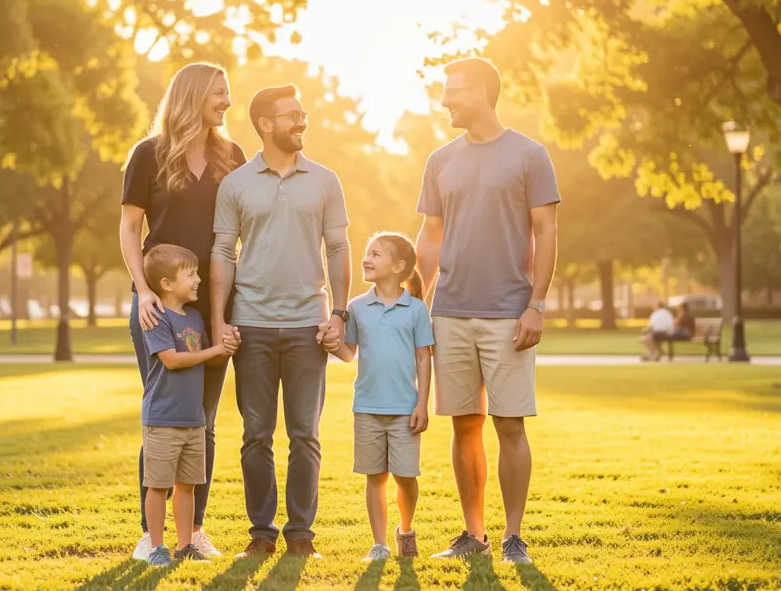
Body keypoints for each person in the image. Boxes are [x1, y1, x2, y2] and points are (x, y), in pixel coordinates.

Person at [416, 57, 559, 564]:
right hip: (450, 311)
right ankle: (472, 535)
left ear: (481, 91)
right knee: (464, 424)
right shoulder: (440, 160)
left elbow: (546, 233)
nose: (446, 99)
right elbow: (431, 236)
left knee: (511, 424)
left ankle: (513, 536)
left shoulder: (529, 155)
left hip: (507, 313)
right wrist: (416, 299)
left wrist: (536, 305)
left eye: (454, 91)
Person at [210, 84, 351, 560]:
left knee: (305, 433)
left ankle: (301, 535)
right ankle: (261, 533)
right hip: (250, 324)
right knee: (255, 434)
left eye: (303, 113)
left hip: (308, 324)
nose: (302, 121)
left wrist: (339, 312)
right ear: (265, 125)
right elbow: (222, 252)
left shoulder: (326, 180)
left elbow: (337, 248)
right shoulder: (236, 184)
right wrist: (218, 319)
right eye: (292, 115)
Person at [121, 62, 247, 561]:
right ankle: (150, 537)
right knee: (162, 416)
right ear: (193, 95)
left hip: (215, 302)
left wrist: (223, 310)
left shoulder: (231, 156)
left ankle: (193, 533)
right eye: (220, 93)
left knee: (203, 420)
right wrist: (143, 290)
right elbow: (130, 228)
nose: (227, 102)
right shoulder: (147, 154)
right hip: (159, 305)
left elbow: (236, 233)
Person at [323, 232, 434, 562]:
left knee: (406, 477)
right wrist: (331, 344)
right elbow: (348, 354)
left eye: (376, 254)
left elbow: (424, 358)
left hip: (405, 409)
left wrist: (422, 403)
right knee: (375, 476)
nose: (366, 259)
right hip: (367, 407)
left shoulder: (416, 310)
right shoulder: (357, 307)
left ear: (399, 266)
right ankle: (379, 544)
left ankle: (406, 529)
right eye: (366, 252)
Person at [138, 244, 239, 567]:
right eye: (191, 274)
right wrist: (214, 352)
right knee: (158, 486)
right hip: (163, 418)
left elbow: (208, 359)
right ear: (167, 284)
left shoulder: (194, 317)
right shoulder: (156, 317)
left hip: (194, 420)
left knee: (187, 486)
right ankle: (156, 547)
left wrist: (229, 344)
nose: (198, 280)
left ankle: (185, 546)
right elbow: (171, 360)